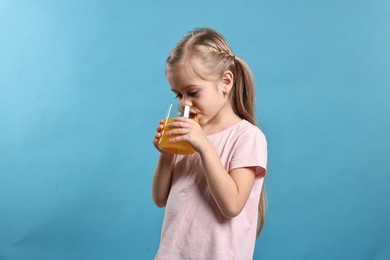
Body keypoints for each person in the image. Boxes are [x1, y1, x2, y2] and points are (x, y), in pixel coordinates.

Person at [152, 27, 267, 260]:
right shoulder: (188, 135)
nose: (185, 104)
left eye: (193, 92)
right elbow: (160, 198)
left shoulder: (247, 137)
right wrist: (166, 153)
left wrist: (204, 146)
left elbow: (232, 205)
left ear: (226, 81)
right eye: (178, 95)